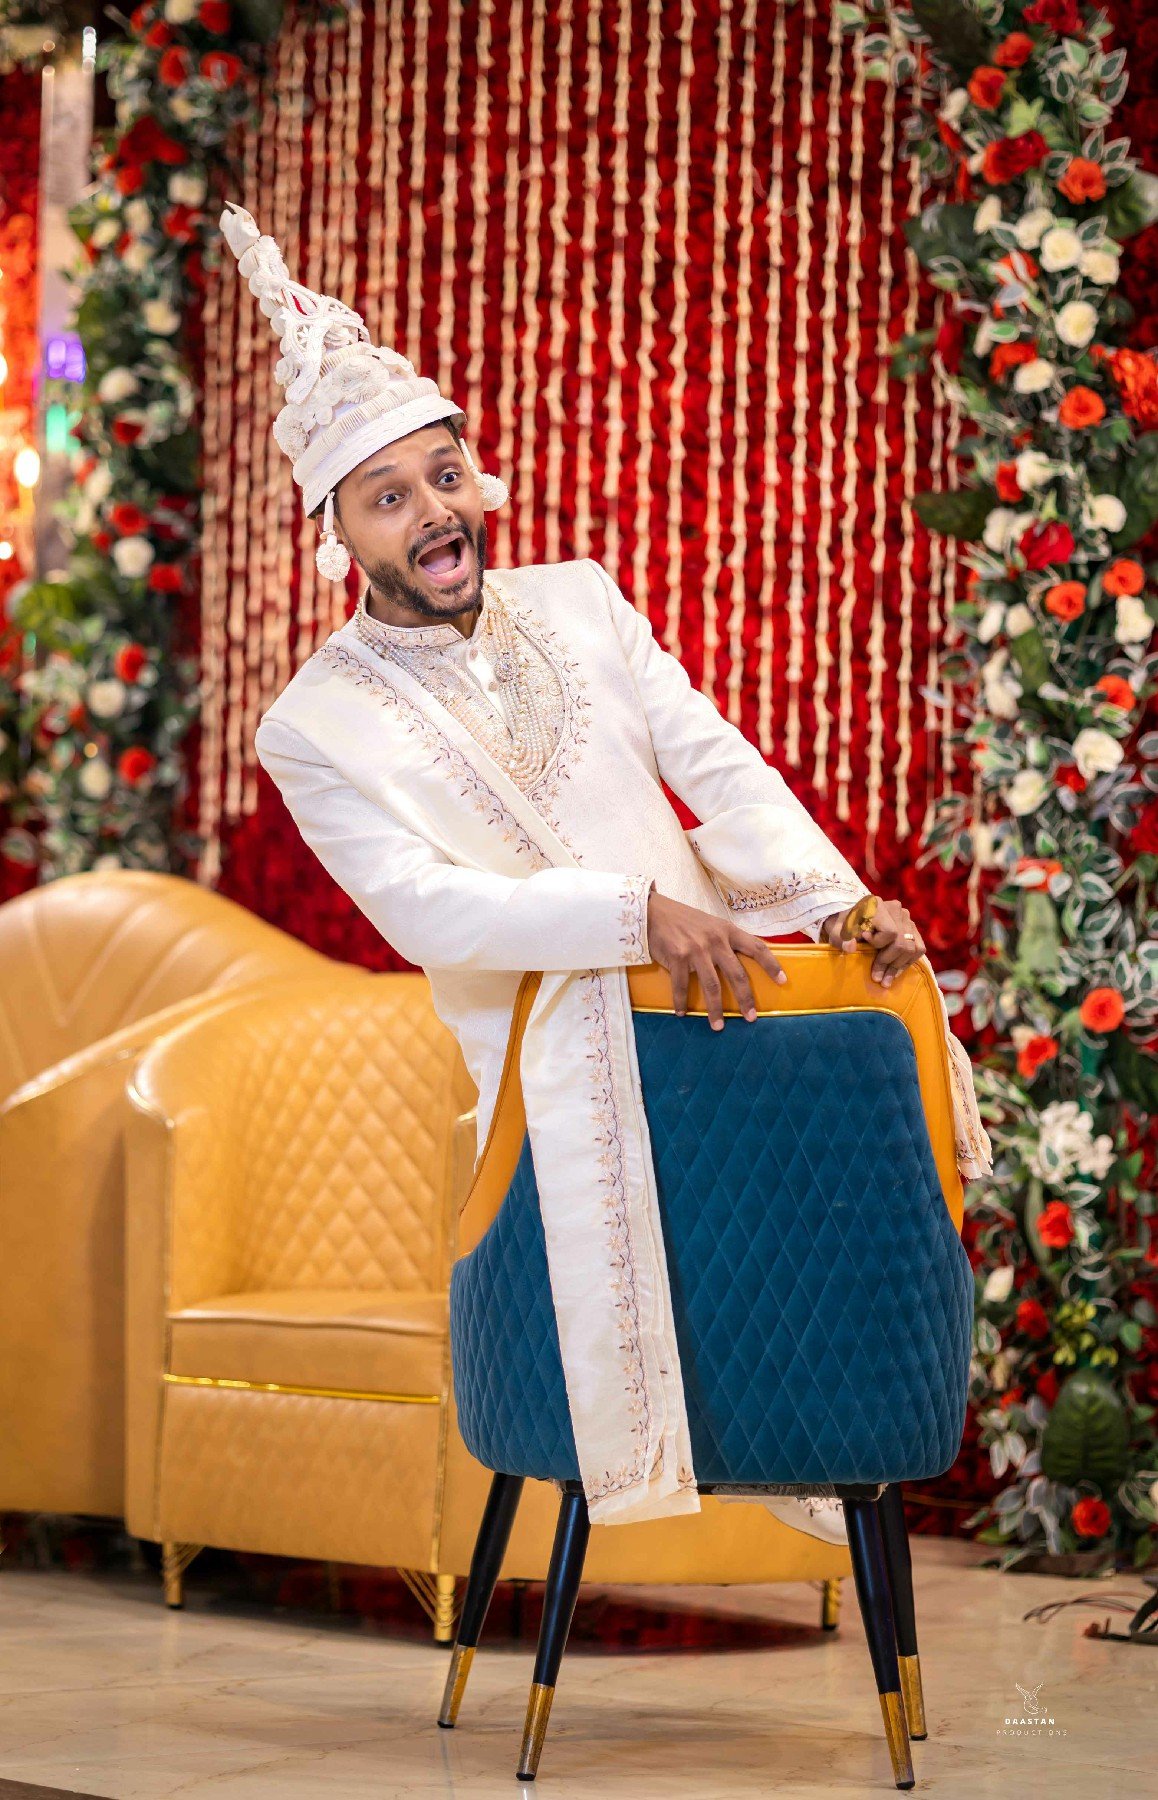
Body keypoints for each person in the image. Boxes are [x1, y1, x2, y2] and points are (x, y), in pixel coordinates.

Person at [220, 203, 993, 1542]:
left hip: (726, 1010)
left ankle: (839, 1439)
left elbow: (718, 762)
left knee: (866, 1117)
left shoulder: (581, 600)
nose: (435, 511)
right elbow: (425, 911)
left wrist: (837, 901)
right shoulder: (313, 726)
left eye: (446, 474)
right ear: (336, 535)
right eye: (390, 498)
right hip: (552, 1068)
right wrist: (633, 917)